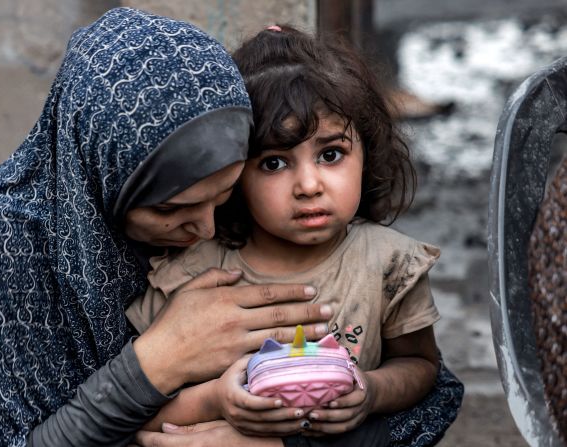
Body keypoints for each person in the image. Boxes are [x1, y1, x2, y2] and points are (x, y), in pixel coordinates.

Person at [0, 9, 335, 447]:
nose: (208, 228)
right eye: (172, 208)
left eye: (223, 195)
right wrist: (158, 362)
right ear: (100, 175)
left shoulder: (270, 203)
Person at [127, 25, 463, 447]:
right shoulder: (192, 274)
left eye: (331, 154)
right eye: (273, 163)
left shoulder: (389, 265)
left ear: (367, 154)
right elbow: (142, 411)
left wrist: (371, 392)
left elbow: (419, 365)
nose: (308, 185)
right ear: (232, 174)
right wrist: (216, 403)